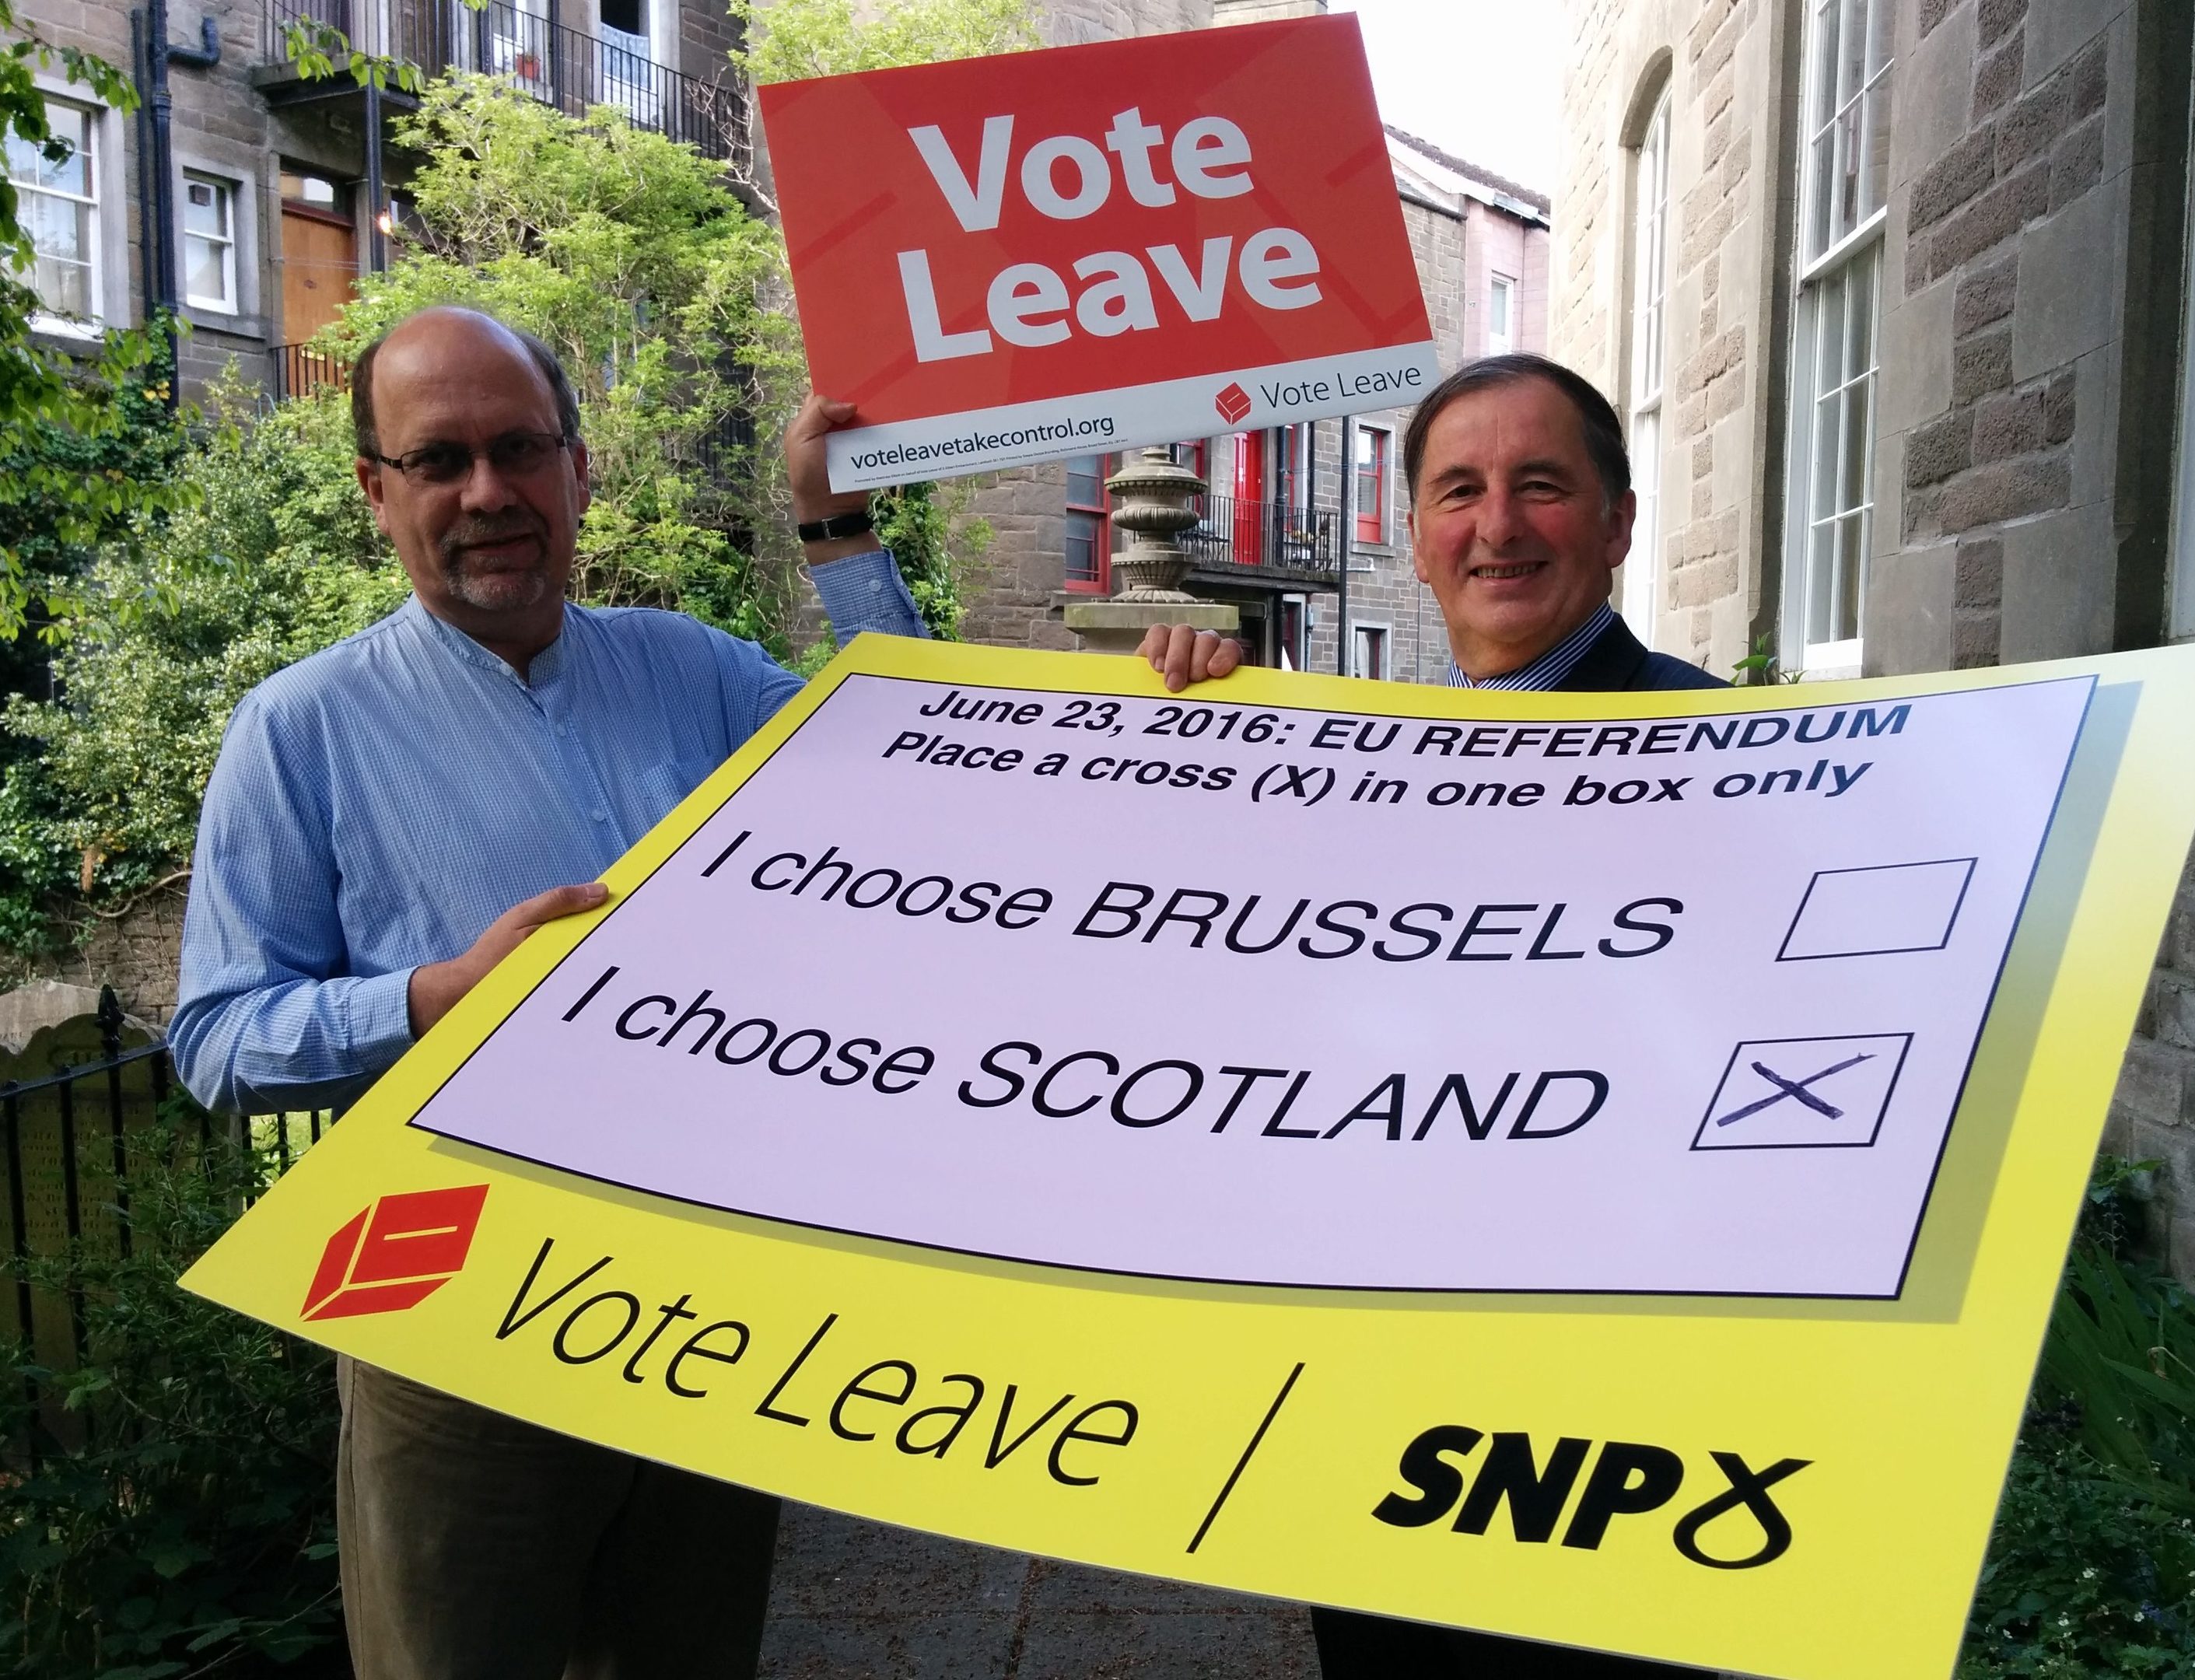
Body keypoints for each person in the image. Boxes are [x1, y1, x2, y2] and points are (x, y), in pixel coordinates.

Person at [169, 304, 1233, 1680]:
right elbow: (215, 1039)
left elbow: (917, 773)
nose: (487, 492)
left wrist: (835, 531)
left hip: (700, 1306)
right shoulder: (299, 728)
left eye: (517, 449)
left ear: (578, 467)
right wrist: (437, 997)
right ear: (379, 493)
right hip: (448, 1313)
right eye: (439, 462)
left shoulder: (692, 669)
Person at [1144, 352, 1722, 1679]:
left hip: (1598, 1412)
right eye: (1459, 490)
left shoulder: (1722, 754)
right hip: (1368, 1396)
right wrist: (1186, 747)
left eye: (1542, 487)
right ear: (1414, 535)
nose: (1499, 526)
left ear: (1621, 520)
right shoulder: (1352, 756)